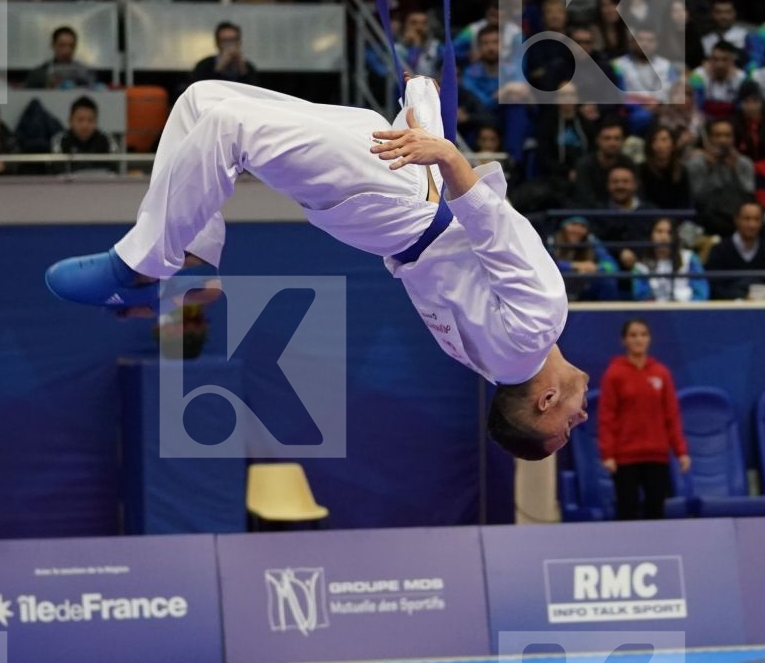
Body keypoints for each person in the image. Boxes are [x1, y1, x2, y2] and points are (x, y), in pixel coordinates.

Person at [44, 75, 588, 459]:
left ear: (543, 403)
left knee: (226, 123)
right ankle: (194, 259)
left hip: (398, 204)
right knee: (201, 103)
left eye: (567, 428)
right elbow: (467, 233)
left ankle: (140, 267)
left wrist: (444, 149)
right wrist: (422, 107)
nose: (581, 418)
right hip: (395, 211)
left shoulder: (538, 326)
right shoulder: (489, 360)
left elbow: (492, 223)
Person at [598, 319, 690, 521]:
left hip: (656, 455)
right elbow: (607, 416)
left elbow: (671, 415)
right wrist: (608, 453)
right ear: (624, 340)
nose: (638, 339)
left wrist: (681, 451)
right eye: (633, 335)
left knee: (656, 511)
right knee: (627, 511)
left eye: (643, 334)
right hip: (625, 458)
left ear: (649, 339)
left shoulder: (661, 373)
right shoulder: (614, 374)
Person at [704, 200, 765, 300]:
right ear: (736, 220)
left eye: (756, 219)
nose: (752, 224)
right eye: (747, 219)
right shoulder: (720, 250)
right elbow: (713, 286)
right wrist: (740, 297)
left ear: (762, 222)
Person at [632, 217, 708, 302]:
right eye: (659, 231)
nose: (664, 237)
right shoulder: (641, 267)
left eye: (669, 232)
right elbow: (642, 297)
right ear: (651, 235)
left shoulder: (689, 259)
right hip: (657, 313)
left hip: (688, 311)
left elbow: (701, 293)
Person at [190, 22, 260, 87]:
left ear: (239, 42)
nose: (229, 44)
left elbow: (253, 92)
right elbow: (200, 88)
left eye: (233, 40)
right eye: (224, 40)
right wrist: (219, 68)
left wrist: (242, 70)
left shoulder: (248, 68)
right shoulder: (204, 65)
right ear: (217, 43)